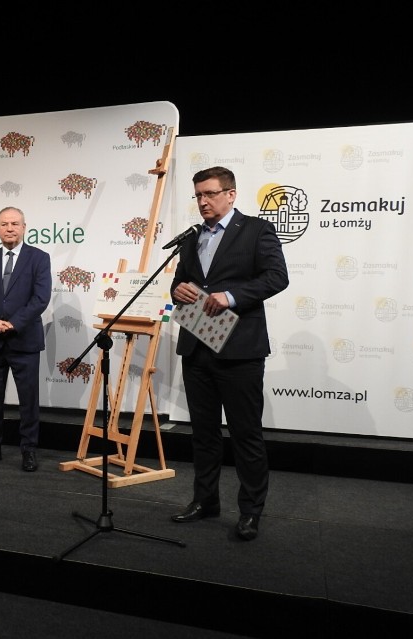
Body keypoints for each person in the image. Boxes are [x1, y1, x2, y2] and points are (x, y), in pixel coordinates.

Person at [169, 166, 288, 541]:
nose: (203, 201)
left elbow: (276, 277)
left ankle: (251, 511)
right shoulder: (191, 239)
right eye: (198, 195)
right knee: (203, 434)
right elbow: (181, 281)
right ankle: (205, 501)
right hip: (197, 345)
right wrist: (178, 291)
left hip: (240, 349)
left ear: (231, 194)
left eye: (210, 194)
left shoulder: (256, 230)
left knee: (245, 434)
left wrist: (231, 297)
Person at [0, 207, 52, 472]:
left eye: (15, 223)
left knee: (28, 401)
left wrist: (13, 323)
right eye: (4, 224)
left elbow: (40, 298)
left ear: (25, 227)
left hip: (24, 341)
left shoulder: (39, 258)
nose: (9, 228)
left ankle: (28, 450)